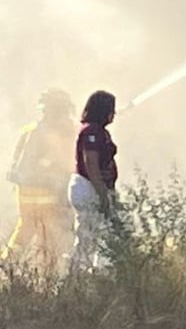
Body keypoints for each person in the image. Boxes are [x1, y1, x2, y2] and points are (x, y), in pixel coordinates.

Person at [3, 88, 76, 268]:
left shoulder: (29, 131)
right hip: (47, 194)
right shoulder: (52, 134)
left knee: (24, 230)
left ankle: (7, 263)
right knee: (51, 236)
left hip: (25, 193)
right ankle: (48, 279)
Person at [68, 90, 118, 273]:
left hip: (93, 188)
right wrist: (102, 194)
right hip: (89, 188)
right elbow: (92, 165)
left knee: (100, 235)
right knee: (87, 237)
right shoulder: (92, 132)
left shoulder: (98, 131)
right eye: (111, 110)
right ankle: (77, 279)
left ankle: (98, 275)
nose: (114, 114)